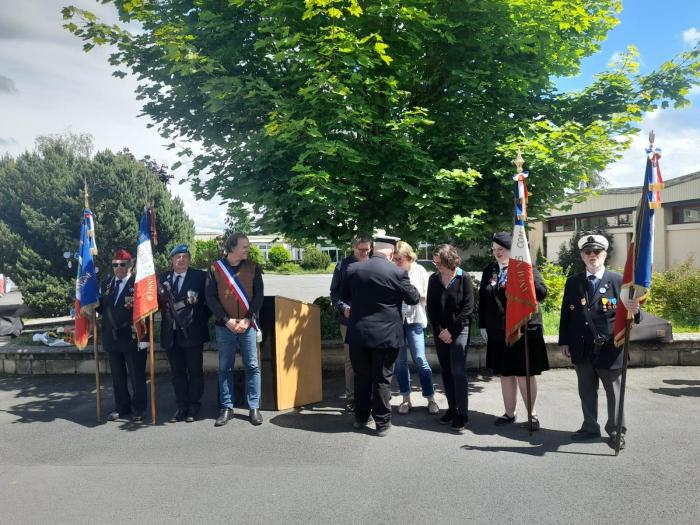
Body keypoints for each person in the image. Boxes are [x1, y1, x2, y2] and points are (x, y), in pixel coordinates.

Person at [559, 234, 641, 451]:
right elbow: (566, 315)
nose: (592, 255)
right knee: (586, 390)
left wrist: (636, 311)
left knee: (614, 393)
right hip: (581, 347)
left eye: (596, 252)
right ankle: (589, 427)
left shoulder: (619, 281)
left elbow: (631, 315)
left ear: (604, 254)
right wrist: (564, 341)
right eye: (588, 252)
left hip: (611, 348)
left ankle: (616, 431)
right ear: (582, 256)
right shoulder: (573, 282)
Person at [340, 234, 419, 436]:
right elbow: (412, 298)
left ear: (374, 248)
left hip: (358, 333)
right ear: (392, 252)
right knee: (382, 379)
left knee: (362, 377)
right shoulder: (397, 272)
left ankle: (360, 417)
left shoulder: (353, 269)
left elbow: (345, 295)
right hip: (386, 335)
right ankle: (382, 423)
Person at [479, 232, 549, 430]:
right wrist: (483, 324)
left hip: (523, 330)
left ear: (512, 250)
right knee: (505, 373)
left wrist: (525, 278)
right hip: (498, 331)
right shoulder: (490, 270)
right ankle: (509, 413)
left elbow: (542, 293)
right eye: (494, 250)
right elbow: (483, 300)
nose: (497, 253)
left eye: (501, 249)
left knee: (523, 373)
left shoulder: (526, 268)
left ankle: (532, 414)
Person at [205, 233, 264, 427]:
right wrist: (226, 320)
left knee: (252, 366)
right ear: (232, 248)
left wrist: (247, 319)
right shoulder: (215, 268)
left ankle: (253, 407)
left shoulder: (253, 267)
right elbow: (211, 297)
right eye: (244, 246)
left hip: (247, 326)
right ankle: (227, 408)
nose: (248, 249)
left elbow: (259, 296)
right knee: (225, 368)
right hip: (225, 327)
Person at [158, 244, 210, 423]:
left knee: (195, 372)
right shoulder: (162, 278)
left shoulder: (200, 277)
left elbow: (209, 302)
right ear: (171, 260)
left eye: (184, 256)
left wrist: (199, 320)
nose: (181, 260)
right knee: (177, 374)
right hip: (170, 335)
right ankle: (181, 407)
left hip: (193, 334)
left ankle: (194, 408)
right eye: (177, 257)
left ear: (189, 259)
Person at [426, 244, 474, 432]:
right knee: (446, 371)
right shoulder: (434, 279)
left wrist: (451, 331)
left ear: (449, 261)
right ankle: (452, 409)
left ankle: (463, 413)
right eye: (435, 262)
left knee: (458, 372)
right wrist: (440, 330)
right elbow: (431, 308)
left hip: (460, 330)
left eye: (439, 263)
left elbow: (468, 308)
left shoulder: (464, 278)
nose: (436, 265)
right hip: (441, 332)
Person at [98, 249, 147, 423]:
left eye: (122, 264)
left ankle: (139, 408)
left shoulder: (139, 285)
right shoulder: (106, 284)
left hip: (132, 337)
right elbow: (101, 308)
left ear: (130, 265)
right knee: (117, 376)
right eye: (115, 265)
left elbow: (146, 312)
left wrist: (145, 340)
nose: (118, 268)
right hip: (112, 337)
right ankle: (122, 407)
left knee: (136, 375)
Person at [392, 241, 439, 415]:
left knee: (420, 359)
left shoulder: (419, 271)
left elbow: (430, 295)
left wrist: (415, 296)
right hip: (397, 321)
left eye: (399, 259)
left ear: (409, 257)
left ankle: (431, 398)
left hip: (415, 319)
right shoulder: (393, 272)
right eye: (394, 259)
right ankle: (406, 399)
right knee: (400, 362)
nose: (396, 262)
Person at [329, 233, 372, 413]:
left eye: (367, 250)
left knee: (372, 358)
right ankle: (352, 398)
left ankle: (371, 395)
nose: (364, 253)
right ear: (353, 247)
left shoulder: (374, 264)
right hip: (349, 320)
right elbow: (334, 293)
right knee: (351, 360)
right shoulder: (343, 266)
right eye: (361, 250)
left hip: (372, 321)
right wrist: (343, 307)